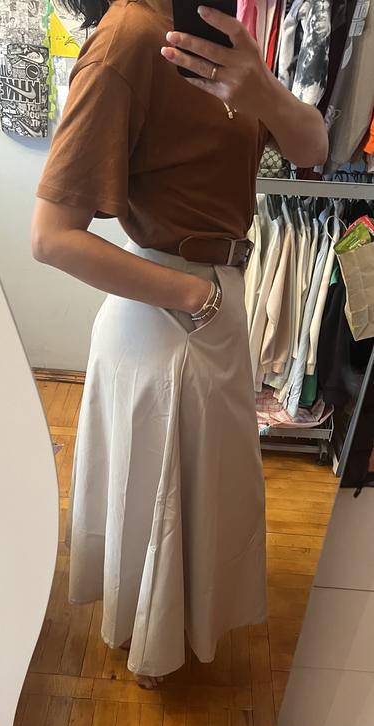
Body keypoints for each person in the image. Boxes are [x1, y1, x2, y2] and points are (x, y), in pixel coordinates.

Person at [31, 0, 328, 689]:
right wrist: (197, 299)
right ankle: (154, 649)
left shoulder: (227, 35)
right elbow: (51, 236)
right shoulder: (130, 36)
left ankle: (170, 632)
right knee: (163, 496)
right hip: (170, 309)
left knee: (198, 492)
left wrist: (263, 90)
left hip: (213, 301)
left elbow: (314, 148)